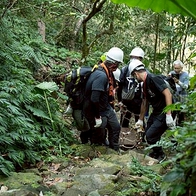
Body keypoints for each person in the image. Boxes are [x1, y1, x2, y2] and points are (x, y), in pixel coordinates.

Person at [129, 59, 175, 162]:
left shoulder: (154, 78)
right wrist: (140, 120)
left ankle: (161, 155)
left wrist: (169, 115)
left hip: (165, 111)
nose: (134, 78)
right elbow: (145, 101)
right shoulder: (144, 84)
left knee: (151, 135)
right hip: (157, 111)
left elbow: (168, 94)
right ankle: (155, 151)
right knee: (147, 134)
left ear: (136, 73)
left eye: (134, 76)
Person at [82, 47, 124, 151]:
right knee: (99, 132)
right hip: (97, 109)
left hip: (105, 107)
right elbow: (94, 98)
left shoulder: (106, 72)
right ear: (114, 64)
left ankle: (114, 149)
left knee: (115, 127)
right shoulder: (101, 75)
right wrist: (97, 117)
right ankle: (95, 148)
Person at [117, 47, 145, 127]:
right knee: (124, 121)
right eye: (132, 57)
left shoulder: (143, 71)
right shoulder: (125, 70)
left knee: (139, 121)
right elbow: (120, 86)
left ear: (141, 59)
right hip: (126, 99)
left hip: (138, 100)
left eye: (136, 57)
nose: (134, 59)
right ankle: (122, 138)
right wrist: (120, 101)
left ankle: (141, 138)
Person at [168, 60, 189, 125]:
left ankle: (180, 128)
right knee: (173, 113)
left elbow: (186, 86)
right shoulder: (172, 73)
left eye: (177, 68)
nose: (176, 70)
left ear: (181, 68)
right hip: (174, 97)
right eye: (175, 68)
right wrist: (168, 78)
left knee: (181, 115)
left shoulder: (185, 75)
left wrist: (178, 82)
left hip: (182, 98)